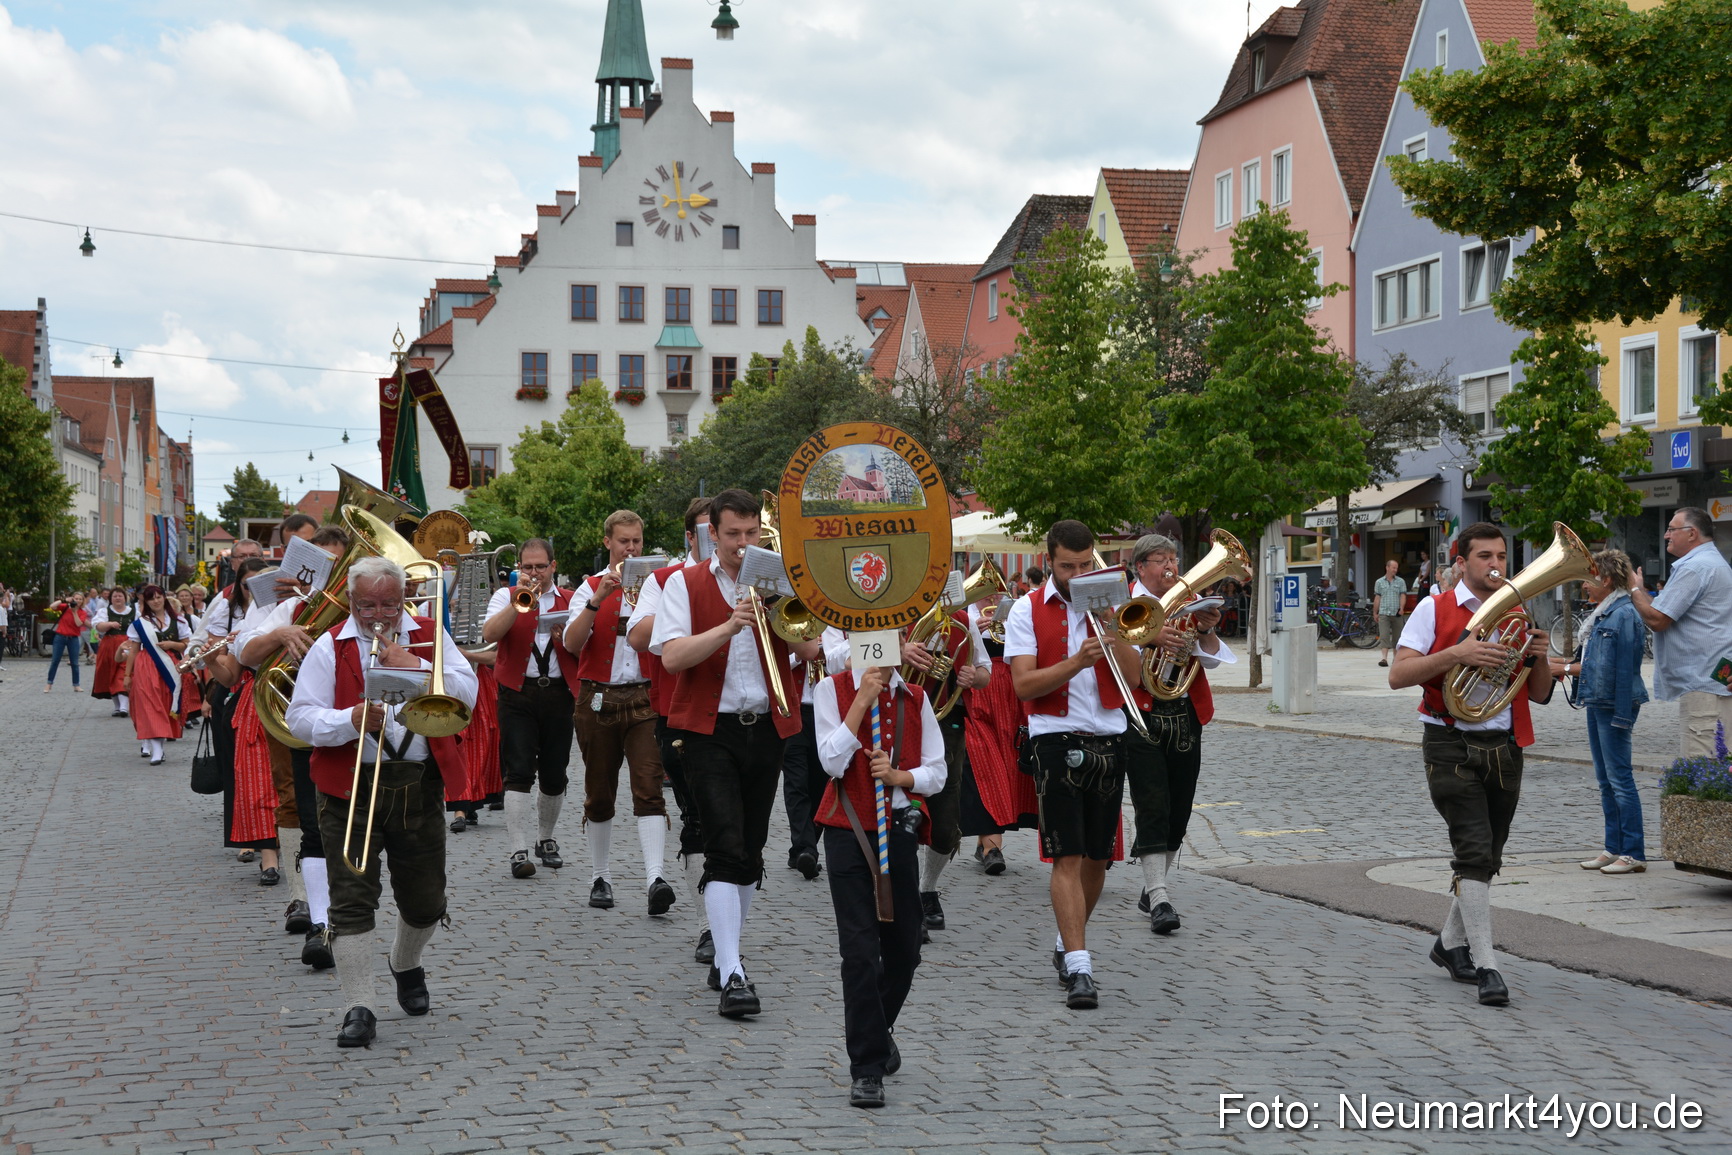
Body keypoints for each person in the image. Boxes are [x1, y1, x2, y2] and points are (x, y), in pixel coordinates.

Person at [285, 555, 477, 1048]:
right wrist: (348, 720)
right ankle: (359, 1005)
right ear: (351, 601)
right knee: (351, 901)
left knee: (426, 902)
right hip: (349, 789)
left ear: (402, 599)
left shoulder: (431, 634)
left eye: (389, 604)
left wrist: (415, 664)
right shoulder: (330, 645)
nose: (378, 614)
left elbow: (468, 695)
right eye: (367, 604)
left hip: (417, 785)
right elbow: (299, 719)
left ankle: (405, 962)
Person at [651, 488, 812, 1018]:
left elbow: (813, 650)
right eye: (734, 535)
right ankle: (733, 970)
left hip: (767, 726)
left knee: (752, 849)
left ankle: (726, 955)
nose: (744, 546)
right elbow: (673, 658)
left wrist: (784, 613)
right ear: (712, 536)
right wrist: (729, 623)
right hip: (708, 730)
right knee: (723, 843)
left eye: (753, 535)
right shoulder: (684, 583)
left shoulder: (781, 582)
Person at [1389, 522, 1563, 1008]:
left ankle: (1448, 945)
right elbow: (1398, 675)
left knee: (1488, 857)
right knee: (1472, 849)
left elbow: (1540, 692)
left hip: (1504, 746)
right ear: (1460, 562)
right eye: (1484, 556)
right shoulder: (1434, 607)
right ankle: (1488, 965)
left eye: (1502, 557)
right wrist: (1457, 654)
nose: (1496, 566)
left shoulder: (1517, 611)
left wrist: (1541, 656)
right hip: (1449, 742)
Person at [1003, 520, 1142, 1010]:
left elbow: (1133, 675)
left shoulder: (1116, 607)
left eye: (1086, 565)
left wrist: (1113, 626)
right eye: (1068, 566)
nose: (1078, 573)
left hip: (1109, 734)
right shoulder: (1025, 609)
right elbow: (1023, 686)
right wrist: (1076, 662)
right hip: (1053, 738)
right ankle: (1081, 967)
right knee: (1066, 854)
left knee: (1098, 857)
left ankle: (1067, 941)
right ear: (1051, 560)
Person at [813, 655, 946, 1108]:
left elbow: (937, 772)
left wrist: (899, 776)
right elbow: (830, 762)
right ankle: (866, 1068)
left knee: (905, 949)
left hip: (899, 830)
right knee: (859, 952)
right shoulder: (831, 689)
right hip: (845, 830)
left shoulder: (917, 697)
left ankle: (877, 1027)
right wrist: (863, 699)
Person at [232, 526, 355, 951]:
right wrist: (280, 633)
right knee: (297, 804)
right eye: (322, 566)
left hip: (354, 724)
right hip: (293, 717)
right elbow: (244, 652)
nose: (328, 576)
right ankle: (306, 904)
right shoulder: (286, 602)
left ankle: (338, 906)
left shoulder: (365, 605)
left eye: (337, 566)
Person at [1126, 533, 1237, 935]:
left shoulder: (1187, 604)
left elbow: (1211, 661)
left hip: (1183, 712)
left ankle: (1153, 887)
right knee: (1151, 802)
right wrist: (1151, 637)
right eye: (1160, 560)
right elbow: (1114, 654)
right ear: (1141, 567)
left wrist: (1205, 630)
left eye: (1173, 558)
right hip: (1140, 713)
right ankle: (1159, 897)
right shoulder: (1127, 605)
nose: (1170, 567)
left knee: (1180, 808)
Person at [563, 510, 672, 914]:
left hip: (644, 699)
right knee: (599, 792)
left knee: (649, 787)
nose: (631, 548)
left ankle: (655, 877)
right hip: (597, 700)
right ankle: (600, 876)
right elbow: (573, 645)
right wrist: (598, 599)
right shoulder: (587, 588)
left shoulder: (658, 588)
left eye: (637, 541)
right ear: (607, 542)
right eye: (624, 541)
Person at [627, 497, 717, 963]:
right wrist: (688, 604)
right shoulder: (666, 580)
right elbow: (639, 636)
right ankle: (709, 927)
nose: (723, 540)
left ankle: (726, 918)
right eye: (709, 531)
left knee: (740, 828)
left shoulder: (751, 575)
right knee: (698, 818)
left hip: (743, 715)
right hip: (680, 715)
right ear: (692, 537)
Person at [480, 537, 579, 880]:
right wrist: (518, 602)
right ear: (519, 568)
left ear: (553, 566)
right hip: (517, 694)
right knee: (518, 770)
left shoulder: (572, 600)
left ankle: (546, 838)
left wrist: (566, 637)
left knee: (555, 772)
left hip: (558, 693)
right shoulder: (504, 597)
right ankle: (518, 848)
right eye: (528, 566)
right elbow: (489, 633)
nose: (534, 572)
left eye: (540, 566)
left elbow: (585, 649)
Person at [900, 596, 989, 937]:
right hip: (899, 717)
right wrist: (902, 652)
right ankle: (907, 899)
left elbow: (985, 672)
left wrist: (972, 676)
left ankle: (927, 888)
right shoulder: (894, 610)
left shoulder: (963, 620)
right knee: (903, 814)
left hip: (945, 722)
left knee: (945, 817)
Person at [1563, 549, 1649, 875]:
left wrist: (1624, 714)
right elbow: (1595, 665)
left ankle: (1634, 851)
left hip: (1614, 704)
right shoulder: (1604, 611)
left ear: (1608, 579)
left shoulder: (1625, 614)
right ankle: (1614, 847)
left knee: (1620, 779)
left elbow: (1627, 669)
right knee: (1605, 780)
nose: (1584, 585)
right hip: (1599, 701)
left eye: (1589, 578)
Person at [1628, 507, 1732, 758]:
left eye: (1672, 529)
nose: (1666, 535)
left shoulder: (1695, 568)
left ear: (1692, 533)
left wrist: (1631, 589)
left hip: (1703, 679)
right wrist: (1641, 590)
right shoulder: (1709, 562)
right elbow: (1662, 610)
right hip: (1713, 675)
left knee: (1703, 764)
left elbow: (1658, 619)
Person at [962, 594, 1038, 874]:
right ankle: (991, 846)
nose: (991, 597)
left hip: (1010, 695)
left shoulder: (1014, 608)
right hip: (979, 694)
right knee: (985, 765)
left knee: (1010, 766)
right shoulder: (965, 615)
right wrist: (975, 633)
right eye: (985, 592)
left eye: (995, 591)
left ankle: (990, 843)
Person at [121, 586, 189, 764]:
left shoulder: (179, 621)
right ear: (146, 602)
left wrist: (173, 644)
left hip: (171, 666)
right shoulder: (139, 624)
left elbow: (186, 645)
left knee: (166, 703)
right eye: (152, 599)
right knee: (150, 704)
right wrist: (127, 675)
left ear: (165, 598)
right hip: (145, 666)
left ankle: (160, 745)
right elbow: (134, 650)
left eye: (159, 597)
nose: (156, 601)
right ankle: (156, 750)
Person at [91, 589, 136, 714]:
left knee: (124, 671)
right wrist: (109, 624)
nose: (117, 598)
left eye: (120, 596)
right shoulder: (104, 611)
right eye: (115, 596)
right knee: (109, 672)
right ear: (110, 599)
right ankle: (117, 706)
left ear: (125, 598)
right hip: (109, 644)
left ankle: (124, 706)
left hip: (128, 644)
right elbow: (98, 627)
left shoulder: (133, 612)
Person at [45, 590, 89, 692]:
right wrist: (63, 600)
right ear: (73, 598)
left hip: (73, 638)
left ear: (82, 601)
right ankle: (49, 683)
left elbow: (78, 624)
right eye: (76, 598)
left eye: (80, 599)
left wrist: (74, 612)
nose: (77, 601)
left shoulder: (82, 612)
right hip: (60, 637)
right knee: (55, 661)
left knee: (74, 662)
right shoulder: (65, 607)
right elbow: (52, 606)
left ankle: (76, 685)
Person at [1374, 558, 1408, 669]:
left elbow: (1403, 595)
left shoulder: (1400, 581)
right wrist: (1375, 612)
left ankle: (1396, 659)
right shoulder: (1379, 582)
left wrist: (1402, 608)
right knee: (1384, 635)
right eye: (1393, 567)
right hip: (1384, 612)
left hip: (1396, 612)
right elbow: (1377, 597)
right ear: (1387, 568)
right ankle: (1384, 658)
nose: (1395, 570)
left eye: (1396, 568)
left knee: (1397, 637)